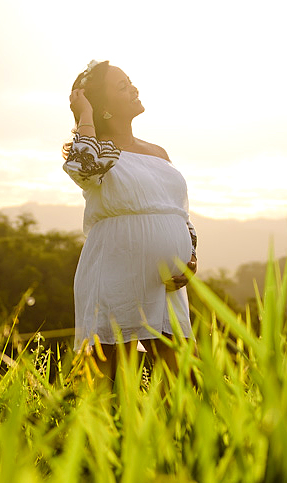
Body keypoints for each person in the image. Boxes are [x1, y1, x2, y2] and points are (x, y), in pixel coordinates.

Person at [62, 59, 197, 383]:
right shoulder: (100, 153)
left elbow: (179, 212)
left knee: (181, 380)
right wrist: (84, 115)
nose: (134, 88)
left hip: (165, 284)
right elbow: (82, 166)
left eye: (130, 81)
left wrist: (191, 257)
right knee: (112, 382)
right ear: (103, 108)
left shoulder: (158, 152)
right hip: (114, 274)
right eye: (122, 86)